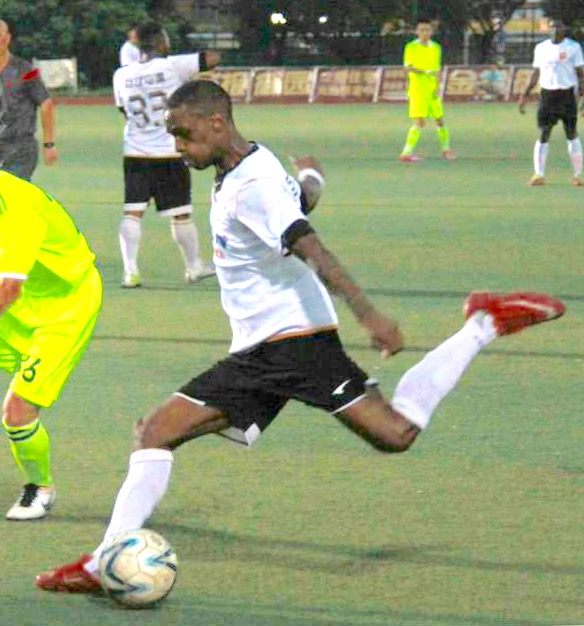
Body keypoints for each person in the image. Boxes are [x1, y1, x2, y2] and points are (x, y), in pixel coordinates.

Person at [35, 80, 565, 591]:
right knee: (154, 432)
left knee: (396, 434)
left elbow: (311, 246)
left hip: (295, 343)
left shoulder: (253, 185)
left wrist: (368, 314)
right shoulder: (251, 163)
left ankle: (483, 324)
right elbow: (297, 203)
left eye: (184, 134)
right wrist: (312, 178)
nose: (178, 147)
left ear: (216, 123)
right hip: (260, 348)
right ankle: (103, 562)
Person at [0, 170, 102, 521]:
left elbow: (9, 289)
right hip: (17, 308)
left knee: (17, 412)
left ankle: (39, 488)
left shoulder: (19, 208)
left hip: (64, 310)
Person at [113, 21, 220, 288]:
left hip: (135, 152)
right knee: (181, 214)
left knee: (132, 212)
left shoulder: (121, 75)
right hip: (169, 152)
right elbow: (211, 59)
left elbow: (123, 110)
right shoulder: (173, 65)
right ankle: (193, 267)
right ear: (161, 42)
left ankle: (130, 271)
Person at [519, 19, 584, 187]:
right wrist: (524, 95)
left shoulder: (573, 47)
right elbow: (536, 73)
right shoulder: (541, 48)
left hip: (567, 95)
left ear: (564, 30)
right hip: (547, 95)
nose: (555, 30)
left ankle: (577, 175)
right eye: (553, 27)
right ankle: (539, 174)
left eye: (558, 27)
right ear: (549, 30)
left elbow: (580, 74)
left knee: (571, 133)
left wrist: (583, 97)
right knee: (543, 133)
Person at [0, 19, 58, 180]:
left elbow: (46, 104)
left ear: (8, 38)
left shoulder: (26, 70)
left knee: (12, 189)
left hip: (20, 148)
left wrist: (49, 144)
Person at [399, 18, 456, 163]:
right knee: (420, 122)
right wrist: (425, 72)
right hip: (418, 89)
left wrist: (437, 86)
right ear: (417, 32)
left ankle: (446, 149)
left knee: (440, 120)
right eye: (421, 30)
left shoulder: (435, 48)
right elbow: (408, 67)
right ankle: (406, 153)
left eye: (427, 30)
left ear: (431, 32)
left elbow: (437, 69)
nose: (424, 32)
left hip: (432, 90)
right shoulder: (411, 47)